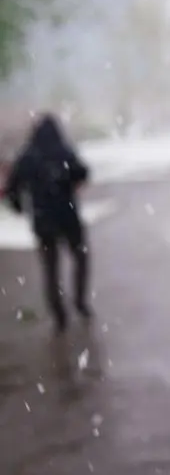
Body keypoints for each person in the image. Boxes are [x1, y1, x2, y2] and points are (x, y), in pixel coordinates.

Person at [3, 113, 92, 333]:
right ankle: (80, 302)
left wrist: (19, 208)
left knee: (50, 269)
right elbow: (83, 172)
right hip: (68, 216)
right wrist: (69, 182)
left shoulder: (27, 156)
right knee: (80, 258)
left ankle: (59, 314)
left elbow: (12, 188)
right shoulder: (63, 151)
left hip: (42, 220)